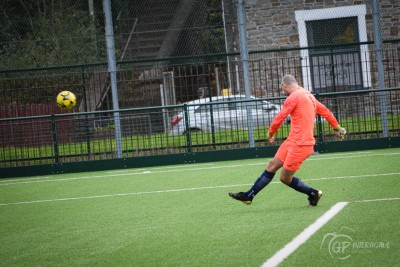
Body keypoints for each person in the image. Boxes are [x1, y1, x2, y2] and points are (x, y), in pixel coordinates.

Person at [228, 74, 346, 206]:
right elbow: (325, 111)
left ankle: (313, 193)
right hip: (292, 141)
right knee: (272, 165)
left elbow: (280, 116)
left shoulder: (294, 97)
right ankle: (248, 196)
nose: (282, 91)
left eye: (282, 88)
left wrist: (271, 133)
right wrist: (337, 127)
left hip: (301, 144)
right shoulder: (308, 95)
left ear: (284, 85)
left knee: (285, 178)